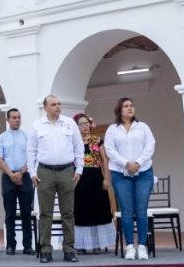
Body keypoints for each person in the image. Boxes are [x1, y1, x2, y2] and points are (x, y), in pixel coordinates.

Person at [27, 95, 84, 264]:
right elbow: (30, 151)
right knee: (46, 213)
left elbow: (78, 147)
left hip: (67, 171)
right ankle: (45, 250)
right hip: (44, 172)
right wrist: (31, 172)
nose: (57, 107)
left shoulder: (69, 123)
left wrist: (79, 169)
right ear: (45, 108)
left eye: (59, 104)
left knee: (68, 212)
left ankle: (69, 250)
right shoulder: (37, 125)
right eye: (53, 104)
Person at [104, 97, 155, 261]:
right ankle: (129, 247)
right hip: (120, 173)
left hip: (144, 172)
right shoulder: (113, 129)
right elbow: (110, 150)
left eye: (132, 105)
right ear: (119, 110)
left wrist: (138, 163)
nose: (130, 108)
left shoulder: (143, 127)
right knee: (126, 211)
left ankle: (141, 246)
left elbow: (150, 146)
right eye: (126, 106)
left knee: (141, 210)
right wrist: (126, 164)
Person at [71, 113, 114, 254]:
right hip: (79, 179)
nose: (85, 126)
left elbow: (105, 161)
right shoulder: (73, 142)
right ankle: (81, 244)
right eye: (81, 124)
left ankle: (97, 244)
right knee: (81, 210)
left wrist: (106, 178)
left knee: (98, 208)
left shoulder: (97, 140)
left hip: (95, 177)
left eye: (86, 123)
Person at [0, 108, 35, 256]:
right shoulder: (1, 138)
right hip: (8, 177)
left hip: (25, 176)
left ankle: (28, 246)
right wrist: (11, 174)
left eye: (19, 117)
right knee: (9, 213)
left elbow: (32, 157)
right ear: (8, 119)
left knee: (26, 213)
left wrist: (21, 172)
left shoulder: (27, 136)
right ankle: (10, 245)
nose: (17, 120)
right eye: (14, 118)